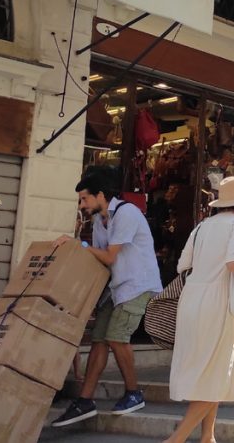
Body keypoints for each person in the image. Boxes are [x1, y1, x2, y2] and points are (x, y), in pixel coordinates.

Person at [52, 166, 164, 426]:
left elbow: (109, 256)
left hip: (137, 285)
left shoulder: (127, 214)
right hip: (116, 288)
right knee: (99, 339)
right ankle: (85, 400)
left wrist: (78, 244)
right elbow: (100, 261)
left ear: (100, 195)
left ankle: (134, 393)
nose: (81, 204)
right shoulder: (98, 221)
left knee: (115, 336)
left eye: (84, 198)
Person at [162, 176, 234, 443]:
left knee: (209, 370)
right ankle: (176, 439)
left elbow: (183, 265)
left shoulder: (202, 227)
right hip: (219, 301)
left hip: (192, 299)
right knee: (219, 371)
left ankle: (208, 436)